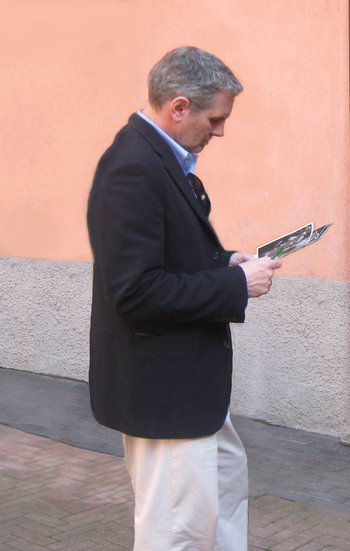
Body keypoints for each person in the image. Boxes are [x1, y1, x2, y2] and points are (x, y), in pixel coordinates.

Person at [86, 46, 281, 550]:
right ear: (178, 108)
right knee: (177, 531)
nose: (219, 131)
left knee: (221, 493)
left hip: (188, 392)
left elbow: (169, 256)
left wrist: (227, 261)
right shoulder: (133, 169)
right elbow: (135, 291)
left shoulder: (159, 160)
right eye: (214, 119)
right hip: (163, 394)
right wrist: (235, 287)